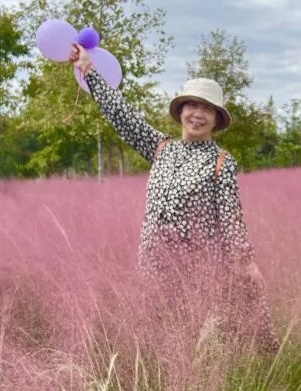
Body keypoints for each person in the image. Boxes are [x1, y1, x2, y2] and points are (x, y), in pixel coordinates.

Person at [69, 44, 277, 352]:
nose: (198, 114)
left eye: (207, 109)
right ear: (180, 111)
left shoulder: (220, 161)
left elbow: (231, 215)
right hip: (154, 266)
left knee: (197, 342)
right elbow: (122, 116)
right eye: (192, 105)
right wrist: (88, 69)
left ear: (217, 120)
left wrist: (245, 261)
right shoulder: (161, 148)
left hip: (197, 271)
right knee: (160, 338)